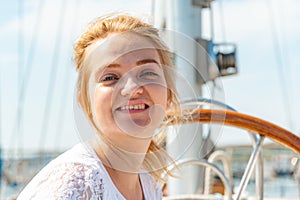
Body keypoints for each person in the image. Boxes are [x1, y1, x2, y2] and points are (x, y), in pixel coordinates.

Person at [17, 13, 180, 200]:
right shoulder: (76, 185)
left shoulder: (148, 184)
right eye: (110, 77)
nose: (132, 89)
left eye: (147, 73)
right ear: (86, 103)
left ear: (168, 95)